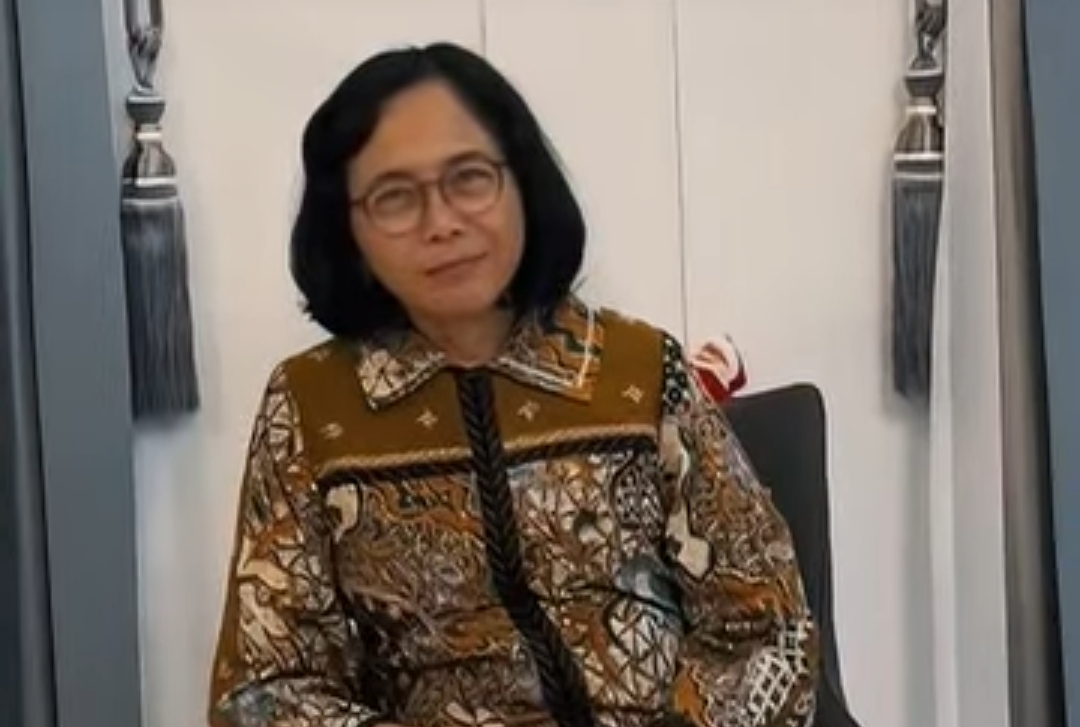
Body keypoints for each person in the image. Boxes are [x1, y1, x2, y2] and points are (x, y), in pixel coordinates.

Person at [207, 42, 819, 727]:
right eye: (394, 197)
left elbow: (769, 629)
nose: (442, 223)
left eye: (469, 179)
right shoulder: (312, 405)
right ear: (348, 228)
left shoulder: (641, 370)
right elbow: (264, 693)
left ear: (522, 183)